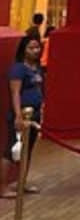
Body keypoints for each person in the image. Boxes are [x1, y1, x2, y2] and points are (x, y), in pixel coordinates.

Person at [0, 35, 44, 199]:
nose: (35, 51)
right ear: (23, 50)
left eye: (37, 47)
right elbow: (15, 93)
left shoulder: (37, 68)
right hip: (22, 114)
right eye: (31, 48)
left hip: (35, 114)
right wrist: (18, 116)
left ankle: (22, 182)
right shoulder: (18, 69)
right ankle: (2, 186)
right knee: (11, 150)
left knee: (28, 149)